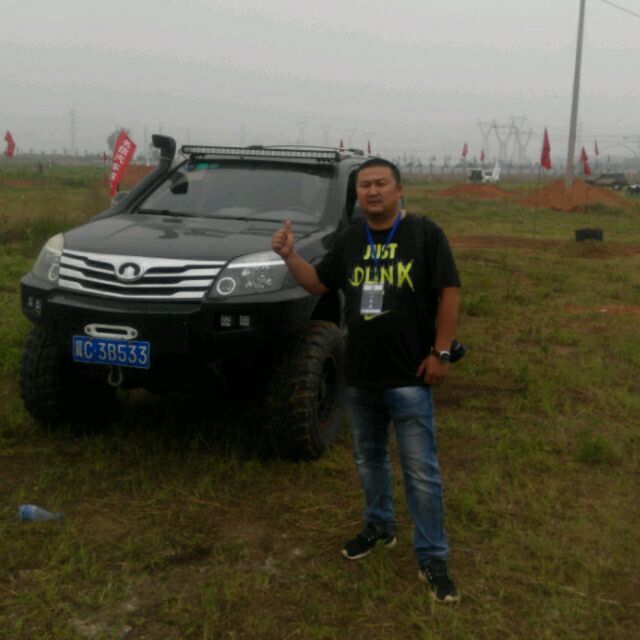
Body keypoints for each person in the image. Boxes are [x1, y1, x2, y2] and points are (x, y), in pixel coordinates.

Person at [271, 158, 461, 604]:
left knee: (421, 472)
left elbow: (448, 292)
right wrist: (290, 256)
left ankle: (432, 556)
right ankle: (379, 527)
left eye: (381, 184)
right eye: (364, 186)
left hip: (410, 376)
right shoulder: (351, 238)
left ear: (398, 189)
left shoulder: (425, 234)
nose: (372, 192)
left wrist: (441, 353)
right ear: (357, 194)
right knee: (369, 461)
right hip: (360, 377)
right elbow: (318, 284)